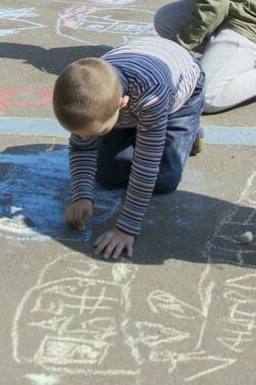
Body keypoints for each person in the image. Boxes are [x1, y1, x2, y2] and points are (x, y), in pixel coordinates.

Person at [55, 36, 204, 260]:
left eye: (97, 132)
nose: (87, 138)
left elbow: (146, 166)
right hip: (134, 91)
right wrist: (82, 196)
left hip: (180, 94)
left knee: (163, 179)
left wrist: (126, 228)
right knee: (105, 175)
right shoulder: (88, 92)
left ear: (121, 104)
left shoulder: (152, 96)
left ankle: (189, 133)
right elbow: (82, 148)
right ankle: (141, 130)